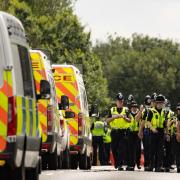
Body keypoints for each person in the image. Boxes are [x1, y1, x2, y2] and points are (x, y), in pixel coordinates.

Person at [106, 92, 131, 171]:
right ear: (116, 102)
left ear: (123, 102)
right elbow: (107, 121)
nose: (120, 103)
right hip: (114, 132)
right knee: (114, 148)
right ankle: (117, 162)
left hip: (123, 132)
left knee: (121, 148)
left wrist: (124, 118)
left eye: (121, 101)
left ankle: (120, 164)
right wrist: (114, 117)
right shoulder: (112, 110)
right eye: (119, 101)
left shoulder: (126, 110)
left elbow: (130, 120)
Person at [146, 94, 167, 172]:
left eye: (162, 103)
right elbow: (148, 122)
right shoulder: (151, 111)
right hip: (153, 132)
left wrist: (166, 132)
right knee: (152, 150)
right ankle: (151, 166)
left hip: (161, 132)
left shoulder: (164, 111)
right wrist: (152, 128)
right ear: (156, 103)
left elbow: (165, 123)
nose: (160, 104)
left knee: (160, 150)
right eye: (159, 103)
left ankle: (158, 166)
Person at [136, 94, 155, 171]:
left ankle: (153, 164)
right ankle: (147, 164)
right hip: (146, 130)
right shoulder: (143, 110)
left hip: (153, 130)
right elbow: (137, 119)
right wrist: (140, 110)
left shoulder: (154, 110)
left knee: (153, 149)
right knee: (147, 149)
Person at [129, 101, 141, 171]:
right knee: (131, 149)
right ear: (131, 108)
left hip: (137, 132)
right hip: (130, 133)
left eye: (135, 107)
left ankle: (138, 163)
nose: (134, 108)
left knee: (138, 149)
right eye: (133, 107)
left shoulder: (139, 114)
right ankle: (131, 164)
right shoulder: (128, 114)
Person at [169, 103, 180, 173]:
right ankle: (178, 166)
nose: (179, 110)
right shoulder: (174, 116)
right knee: (177, 152)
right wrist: (172, 122)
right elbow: (168, 125)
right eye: (178, 109)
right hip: (175, 135)